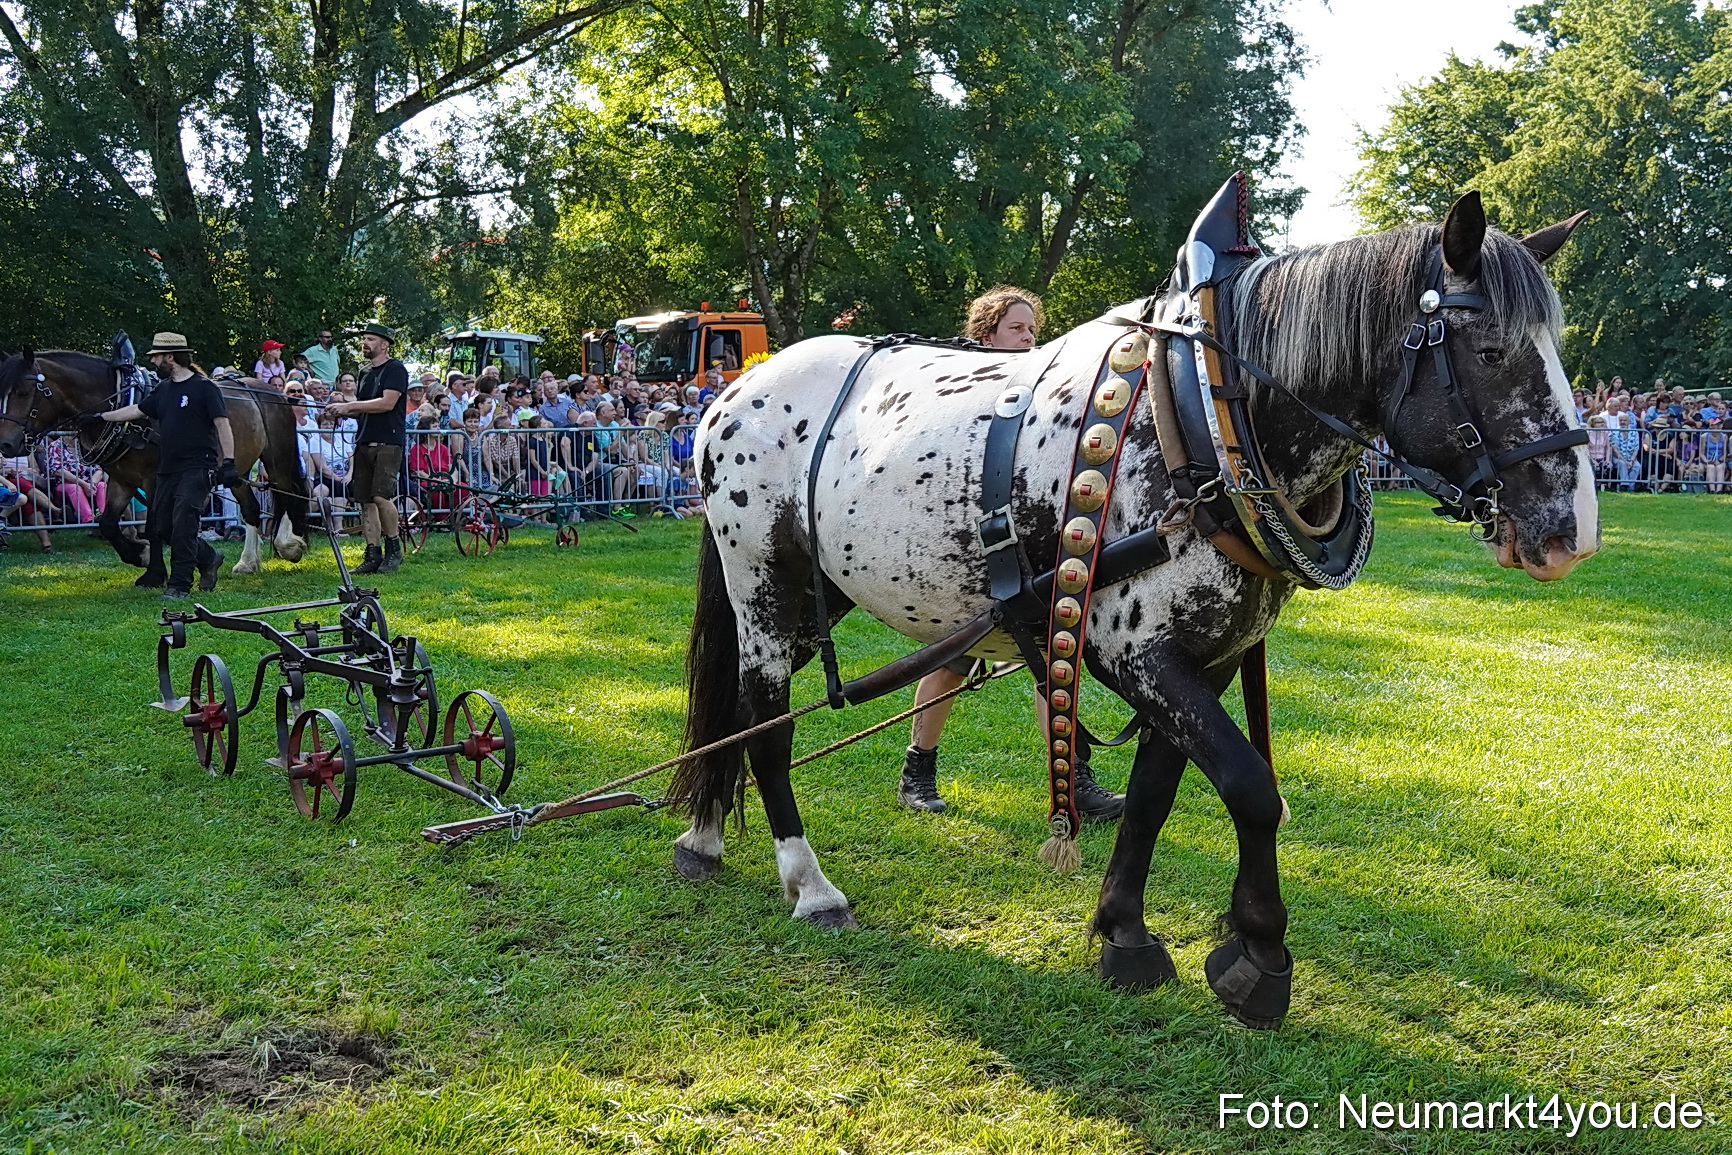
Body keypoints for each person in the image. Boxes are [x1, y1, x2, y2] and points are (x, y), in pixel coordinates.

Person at [895, 286, 1123, 820]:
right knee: (953, 665)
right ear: (986, 334)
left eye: (1031, 329)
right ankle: (917, 773)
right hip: (972, 554)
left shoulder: (1041, 391)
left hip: (1034, 545)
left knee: (1053, 664)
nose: (1029, 337)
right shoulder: (963, 390)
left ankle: (1072, 782)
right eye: (1017, 329)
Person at [97, 332, 239, 598]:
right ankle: (208, 557)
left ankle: (179, 585)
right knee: (163, 526)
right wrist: (102, 416)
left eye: (156, 358)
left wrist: (229, 462)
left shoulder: (205, 388)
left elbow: (222, 424)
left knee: (184, 522)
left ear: (170, 357)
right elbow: (138, 410)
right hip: (168, 468)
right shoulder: (163, 389)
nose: (152, 363)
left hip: (198, 466)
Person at [327, 322, 408, 573]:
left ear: (385, 344)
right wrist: (339, 411)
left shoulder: (396, 369)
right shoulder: (364, 373)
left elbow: (386, 404)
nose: (365, 343)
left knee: (381, 497)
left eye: (371, 339)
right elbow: (365, 409)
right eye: (364, 339)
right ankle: (372, 554)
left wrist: (349, 407)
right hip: (363, 440)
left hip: (388, 441)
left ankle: (394, 550)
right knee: (364, 500)